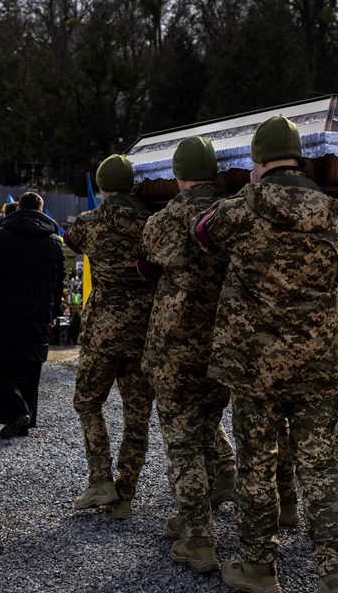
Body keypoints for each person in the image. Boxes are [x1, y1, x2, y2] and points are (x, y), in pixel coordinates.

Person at [191, 115, 338, 593]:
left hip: (254, 364)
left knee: (256, 465)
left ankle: (260, 568)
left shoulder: (244, 208)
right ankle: (334, 573)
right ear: (300, 158)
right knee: (325, 469)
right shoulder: (335, 214)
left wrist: (245, 190)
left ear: (258, 161)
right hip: (317, 364)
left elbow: (202, 234)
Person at [137, 136, 235, 572]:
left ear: (177, 175)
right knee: (208, 424)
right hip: (224, 344)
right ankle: (223, 476)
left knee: (182, 443)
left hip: (176, 349)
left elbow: (146, 262)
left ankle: (197, 538)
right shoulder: (234, 216)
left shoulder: (164, 221)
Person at [64, 154, 156, 520]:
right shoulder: (152, 223)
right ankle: (125, 496)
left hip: (103, 331)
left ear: (102, 187)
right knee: (137, 416)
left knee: (88, 403)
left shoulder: (91, 222)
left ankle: (100, 478)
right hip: (144, 331)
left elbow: (71, 239)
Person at [0, 192, 65, 438]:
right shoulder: (54, 241)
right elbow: (60, 283)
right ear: (41, 210)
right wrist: (54, 313)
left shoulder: (1, 236)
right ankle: (24, 420)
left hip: (2, 310)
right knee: (30, 368)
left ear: (17, 210)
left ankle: (16, 412)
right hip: (38, 312)